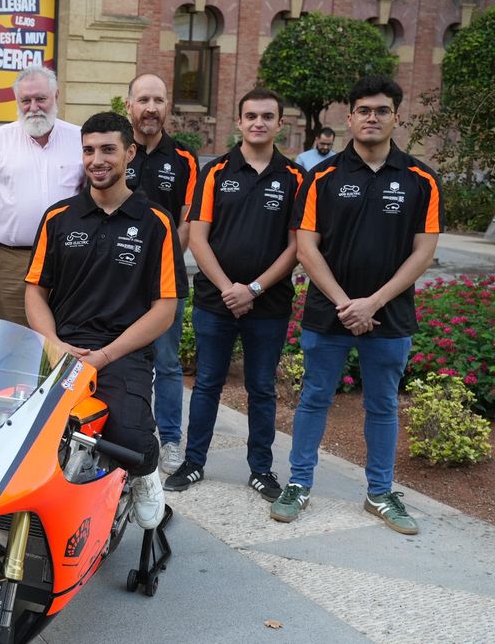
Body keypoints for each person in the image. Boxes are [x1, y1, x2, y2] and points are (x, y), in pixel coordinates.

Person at [273, 76, 442, 535]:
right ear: (349, 118)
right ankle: (299, 484)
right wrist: (346, 303)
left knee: (383, 404)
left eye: (381, 110)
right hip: (329, 311)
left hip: (390, 314)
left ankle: (380, 493)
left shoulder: (421, 179)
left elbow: (423, 252)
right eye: (364, 110)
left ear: (396, 117)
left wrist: (373, 303)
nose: (372, 117)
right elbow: (306, 247)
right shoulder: (322, 177)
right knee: (314, 398)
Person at [24, 111, 184, 530]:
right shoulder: (59, 217)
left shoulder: (156, 222)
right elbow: (35, 292)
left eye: (108, 149)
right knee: (23, 432)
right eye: (89, 150)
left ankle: (145, 475)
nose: (97, 160)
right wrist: (55, 343)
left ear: (130, 153)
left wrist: (107, 355)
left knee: (131, 441)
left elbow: (165, 309)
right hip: (61, 348)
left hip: (123, 352)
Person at [164, 88, 303, 502]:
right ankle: (193, 462)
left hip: (269, 303)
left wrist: (254, 289)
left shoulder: (295, 177)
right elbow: (198, 238)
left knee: (261, 388)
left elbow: (298, 245)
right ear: (238, 122)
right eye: (251, 116)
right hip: (216, 301)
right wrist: (229, 289)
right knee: (207, 383)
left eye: (267, 116)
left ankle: (260, 469)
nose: (258, 123)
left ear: (280, 124)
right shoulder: (216, 172)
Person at [0, 65, 85, 326]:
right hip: (11, 262)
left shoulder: (79, 139)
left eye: (41, 98)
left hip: (69, 258)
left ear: (56, 96)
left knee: (65, 337)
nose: (33, 107)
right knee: (13, 338)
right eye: (25, 100)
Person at [124, 73, 197, 476]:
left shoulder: (184, 159)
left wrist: (162, 265)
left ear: (167, 106)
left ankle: (170, 439)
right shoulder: (118, 151)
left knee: (167, 363)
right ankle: (129, 433)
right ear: (129, 106)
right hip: (119, 282)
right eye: (143, 100)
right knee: (122, 358)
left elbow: (188, 222)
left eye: (158, 100)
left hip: (166, 281)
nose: (151, 108)